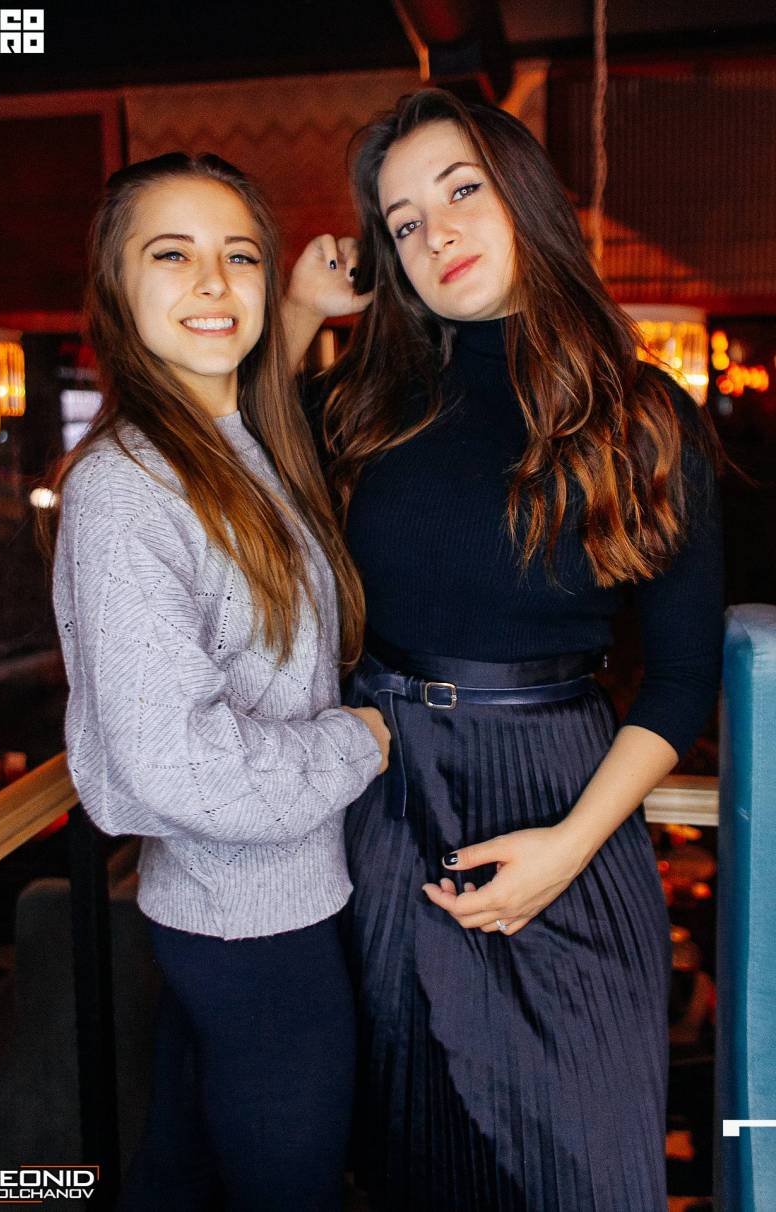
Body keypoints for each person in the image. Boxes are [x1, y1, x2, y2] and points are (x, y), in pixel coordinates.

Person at [288, 89, 724, 1211]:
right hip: (388, 800)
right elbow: (234, 454)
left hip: (564, 801)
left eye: (460, 191)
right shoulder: (365, 403)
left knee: (584, 1168)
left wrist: (572, 847)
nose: (435, 235)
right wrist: (296, 313)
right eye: (403, 224)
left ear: (523, 193)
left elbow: (683, 678)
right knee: (414, 1157)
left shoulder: (643, 415)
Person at [49, 152, 390, 1212]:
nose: (212, 281)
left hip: (255, 909)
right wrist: (363, 741)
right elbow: (180, 764)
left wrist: (301, 308)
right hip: (248, 931)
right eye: (172, 254)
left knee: (180, 1182)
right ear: (116, 286)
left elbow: (245, 367)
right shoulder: (126, 487)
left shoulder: (233, 442)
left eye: (239, 255)